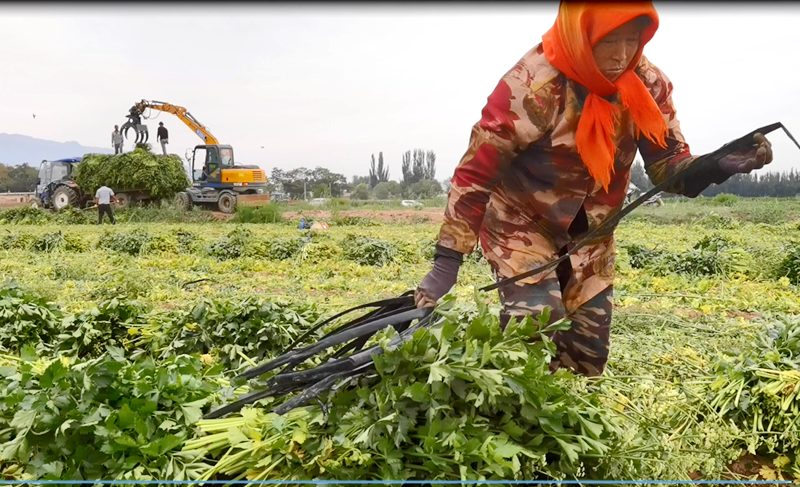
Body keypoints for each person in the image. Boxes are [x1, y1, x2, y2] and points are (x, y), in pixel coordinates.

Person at [414, 1, 773, 378]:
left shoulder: (648, 84)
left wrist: (715, 165)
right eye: (608, 42)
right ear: (581, 37)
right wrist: (446, 263)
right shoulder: (532, 85)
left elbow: (667, 165)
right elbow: (476, 172)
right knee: (534, 327)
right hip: (522, 222)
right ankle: (513, 417)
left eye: (632, 41)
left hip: (593, 233)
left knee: (587, 353)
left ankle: (567, 424)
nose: (621, 56)